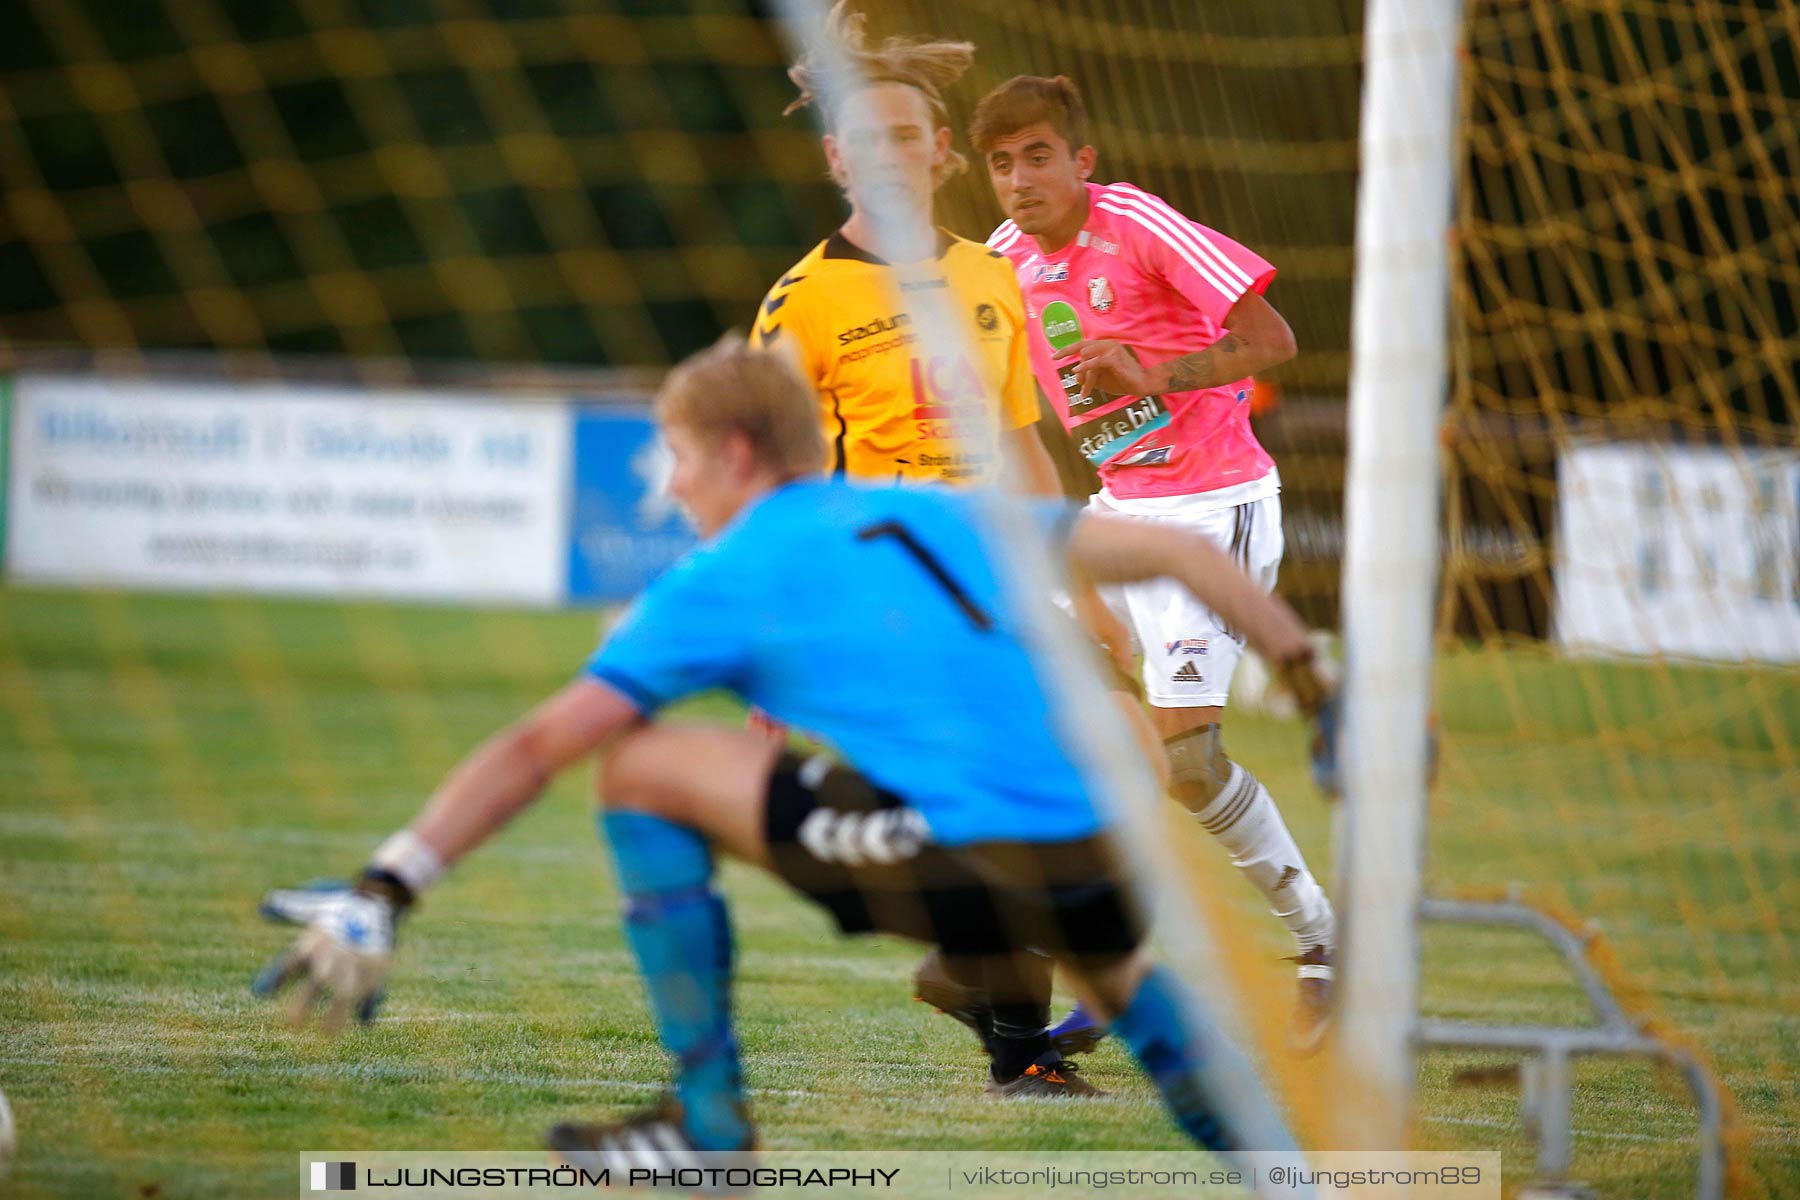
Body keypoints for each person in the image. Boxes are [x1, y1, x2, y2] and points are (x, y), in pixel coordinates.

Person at [251, 339, 1329, 1177]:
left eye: (674, 458)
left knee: (638, 768)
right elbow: (1182, 549)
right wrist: (1306, 670)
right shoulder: (926, 507)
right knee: (1125, 981)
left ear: (730, 455)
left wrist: (389, 884)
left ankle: (710, 1135)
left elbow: (542, 744)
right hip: (1090, 828)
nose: (670, 488)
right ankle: (1298, 1174)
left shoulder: (731, 572)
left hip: (961, 845)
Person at [749, 2, 1145, 1093]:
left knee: (1119, 769)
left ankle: (977, 976)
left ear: (938, 152)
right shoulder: (805, 300)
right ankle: (1016, 1041)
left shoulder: (988, 278)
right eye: (867, 139)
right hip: (882, 590)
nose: (892, 155)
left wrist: (1090, 598)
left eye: (910, 136)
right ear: (838, 158)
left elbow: (1023, 450)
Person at [969, 74, 1338, 1050]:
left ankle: (1324, 943)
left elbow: (1273, 339)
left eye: (1037, 155)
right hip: (1111, 514)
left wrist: (1157, 372)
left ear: (1081, 161)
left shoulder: (1136, 224)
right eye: (1001, 163)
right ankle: (1068, 987)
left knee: (1182, 760)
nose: (1018, 179)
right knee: (1039, 730)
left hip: (1215, 511)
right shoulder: (1002, 266)